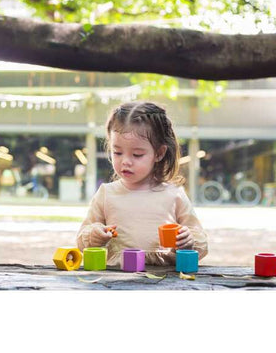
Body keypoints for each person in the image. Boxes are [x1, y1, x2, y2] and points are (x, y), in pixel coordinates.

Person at [76, 101, 208, 267]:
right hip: (115, 280)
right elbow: (81, 240)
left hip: (165, 281)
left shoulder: (174, 194)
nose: (125, 161)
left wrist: (188, 241)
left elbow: (201, 243)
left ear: (159, 153)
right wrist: (94, 236)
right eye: (117, 152)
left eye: (137, 154)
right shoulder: (106, 194)